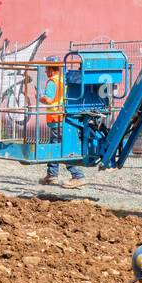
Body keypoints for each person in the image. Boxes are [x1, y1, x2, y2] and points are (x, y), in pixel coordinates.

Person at [38, 59, 84, 188]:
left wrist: (40, 97)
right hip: (63, 118)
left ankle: (77, 175)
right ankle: (52, 174)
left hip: (56, 119)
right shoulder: (64, 80)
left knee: (62, 148)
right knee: (55, 146)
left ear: (52, 69)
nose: (46, 71)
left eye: (47, 69)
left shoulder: (53, 81)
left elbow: (48, 99)